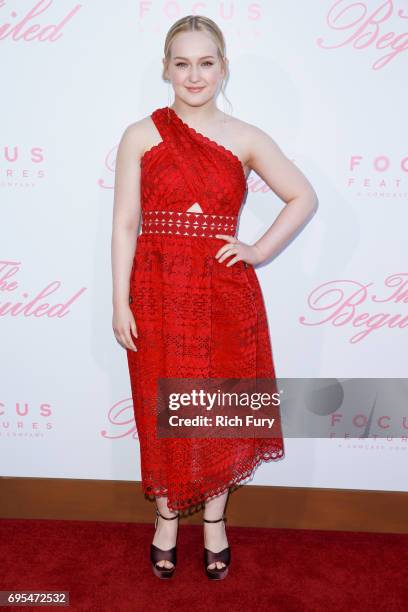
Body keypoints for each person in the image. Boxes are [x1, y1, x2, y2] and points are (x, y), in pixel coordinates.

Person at [111, 15, 318, 580]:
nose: (194, 74)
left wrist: (257, 249)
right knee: (163, 408)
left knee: (219, 409)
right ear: (166, 68)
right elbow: (126, 223)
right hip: (153, 290)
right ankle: (167, 518)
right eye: (182, 63)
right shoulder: (141, 134)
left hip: (224, 294)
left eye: (206, 62)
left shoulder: (247, 136)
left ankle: (216, 524)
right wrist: (118, 301)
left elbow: (302, 196)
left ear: (223, 68)